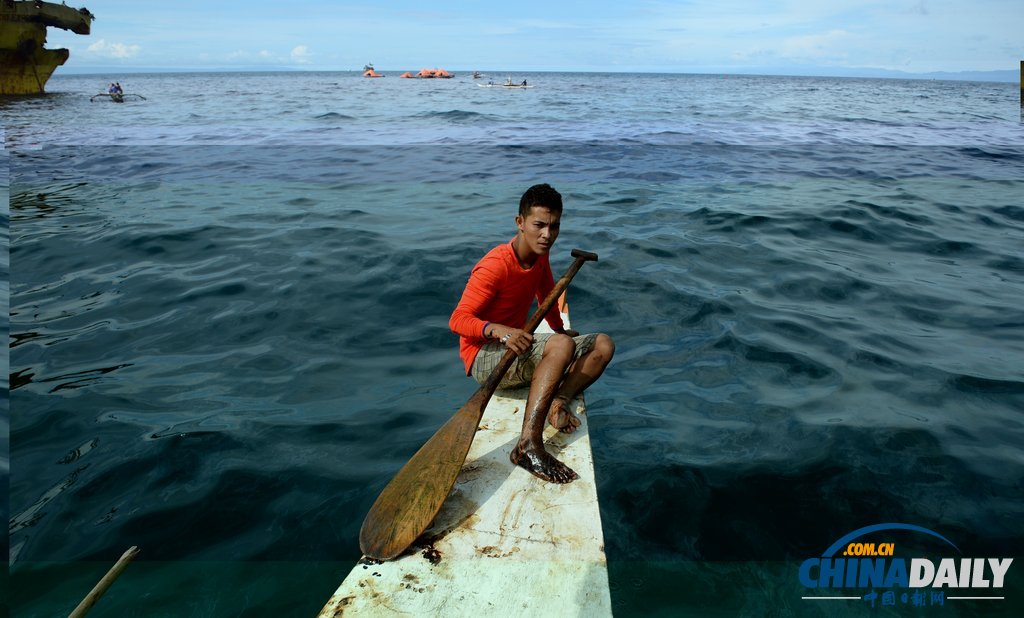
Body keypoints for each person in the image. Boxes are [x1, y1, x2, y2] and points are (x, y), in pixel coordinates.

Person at [449, 184, 615, 484]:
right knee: (561, 347)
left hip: (516, 348)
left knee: (602, 344)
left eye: (554, 226)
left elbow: (546, 295)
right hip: (484, 357)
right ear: (520, 223)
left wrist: (560, 330)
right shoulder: (494, 266)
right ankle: (527, 446)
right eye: (539, 225)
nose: (547, 235)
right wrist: (499, 331)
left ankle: (558, 400)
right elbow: (458, 319)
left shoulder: (541, 256)